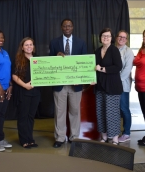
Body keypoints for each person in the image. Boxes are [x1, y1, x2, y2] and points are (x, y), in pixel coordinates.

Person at [49, 18, 87, 148]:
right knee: (59, 111)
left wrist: (81, 79)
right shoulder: (54, 42)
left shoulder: (81, 43)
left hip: (75, 85)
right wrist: (55, 56)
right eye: (65, 26)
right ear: (61, 28)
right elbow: (49, 63)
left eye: (69, 26)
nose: (67, 28)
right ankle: (60, 137)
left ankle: (74, 137)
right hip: (59, 84)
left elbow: (84, 63)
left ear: (73, 27)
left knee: (75, 111)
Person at [95, 28, 123, 145]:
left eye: (108, 36)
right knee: (100, 112)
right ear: (100, 38)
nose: (105, 38)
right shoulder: (97, 51)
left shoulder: (114, 50)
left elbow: (118, 67)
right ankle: (104, 136)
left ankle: (115, 137)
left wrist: (102, 69)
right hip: (100, 86)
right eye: (103, 36)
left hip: (112, 87)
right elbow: (92, 68)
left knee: (112, 113)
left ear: (111, 38)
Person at [12, 37, 40, 148]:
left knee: (31, 117)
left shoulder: (38, 59)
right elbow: (14, 76)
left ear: (33, 46)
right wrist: (25, 85)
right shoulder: (18, 59)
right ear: (22, 47)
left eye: (31, 44)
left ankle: (30, 139)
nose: (29, 47)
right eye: (26, 45)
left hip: (36, 93)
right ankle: (24, 140)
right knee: (23, 117)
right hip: (23, 92)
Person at [115, 30, 134, 143]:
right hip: (112, 85)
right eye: (120, 36)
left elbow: (126, 71)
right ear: (116, 37)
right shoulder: (112, 49)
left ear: (126, 40)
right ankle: (115, 131)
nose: (122, 39)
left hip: (123, 85)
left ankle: (127, 133)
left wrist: (115, 82)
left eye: (124, 37)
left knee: (124, 108)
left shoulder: (128, 52)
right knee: (114, 109)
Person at [133, 30, 145, 146]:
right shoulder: (141, 50)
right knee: (144, 113)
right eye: (144, 36)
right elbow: (135, 62)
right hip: (140, 87)